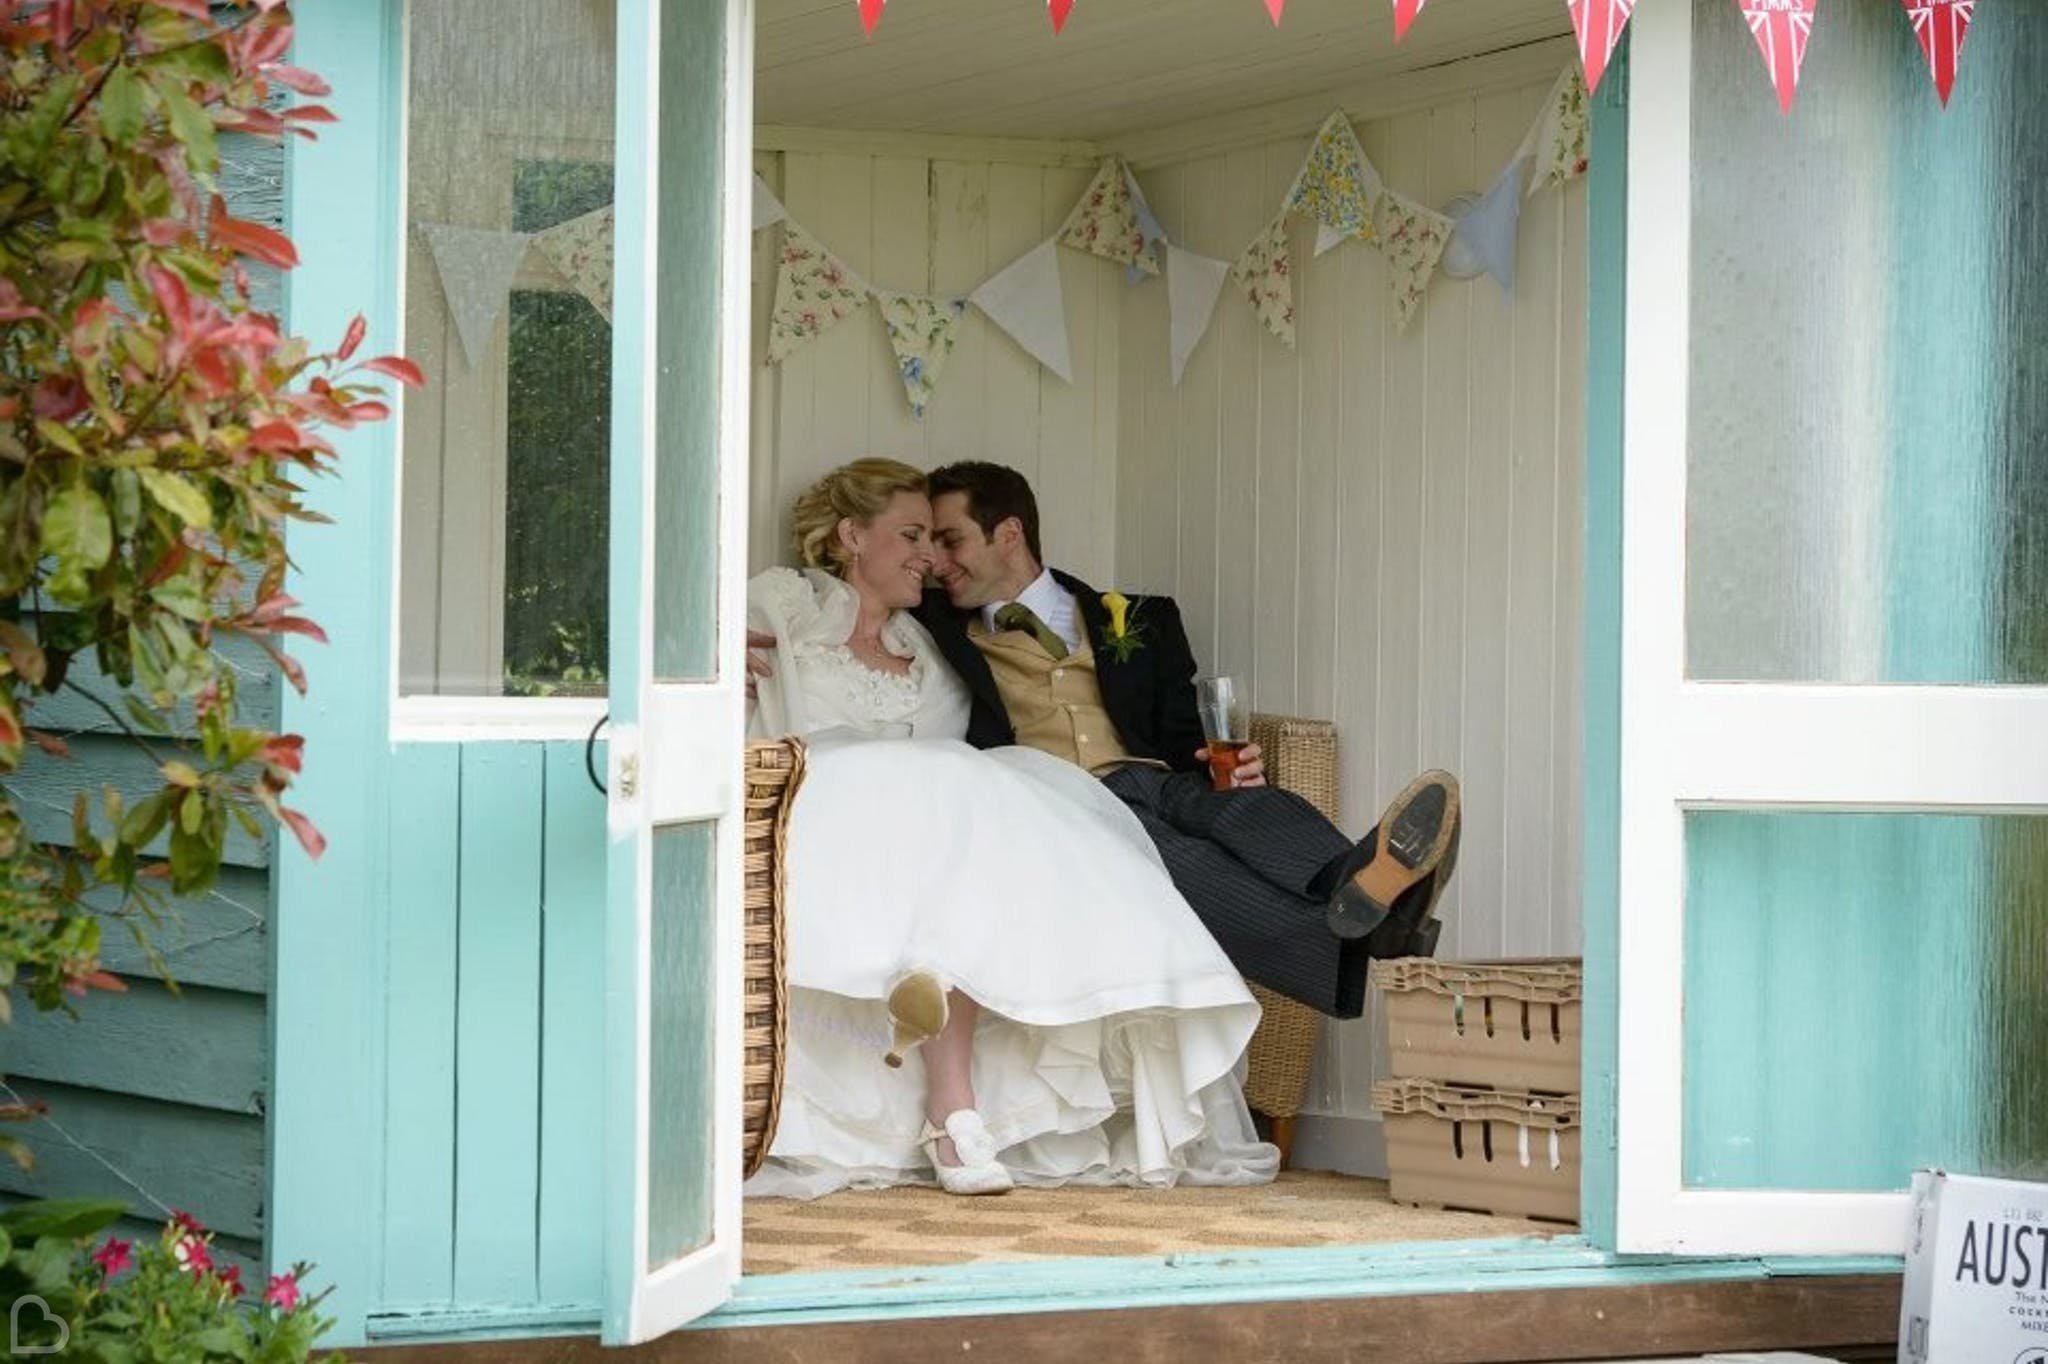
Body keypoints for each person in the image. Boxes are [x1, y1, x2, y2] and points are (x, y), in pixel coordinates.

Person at [745, 458, 1279, 1200]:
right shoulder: (786, 604)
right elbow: (692, 649)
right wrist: (707, 653)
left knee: (991, 806)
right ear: (851, 536)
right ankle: (951, 1112)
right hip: (820, 807)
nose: (930, 558)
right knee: (959, 785)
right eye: (911, 536)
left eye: (937, 539)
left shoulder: (927, 644)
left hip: (928, 829)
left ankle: (953, 1102)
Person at [910, 461, 1462, 1023]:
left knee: (1246, 805)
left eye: (950, 540)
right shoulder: (934, 623)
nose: (935, 561)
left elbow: (1180, 734)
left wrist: (1229, 765)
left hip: (1157, 778)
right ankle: (1383, 927)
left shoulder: (1142, 617)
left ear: (1009, 533)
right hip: (1065, 802)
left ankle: (1356, 882)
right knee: (1173, 857)